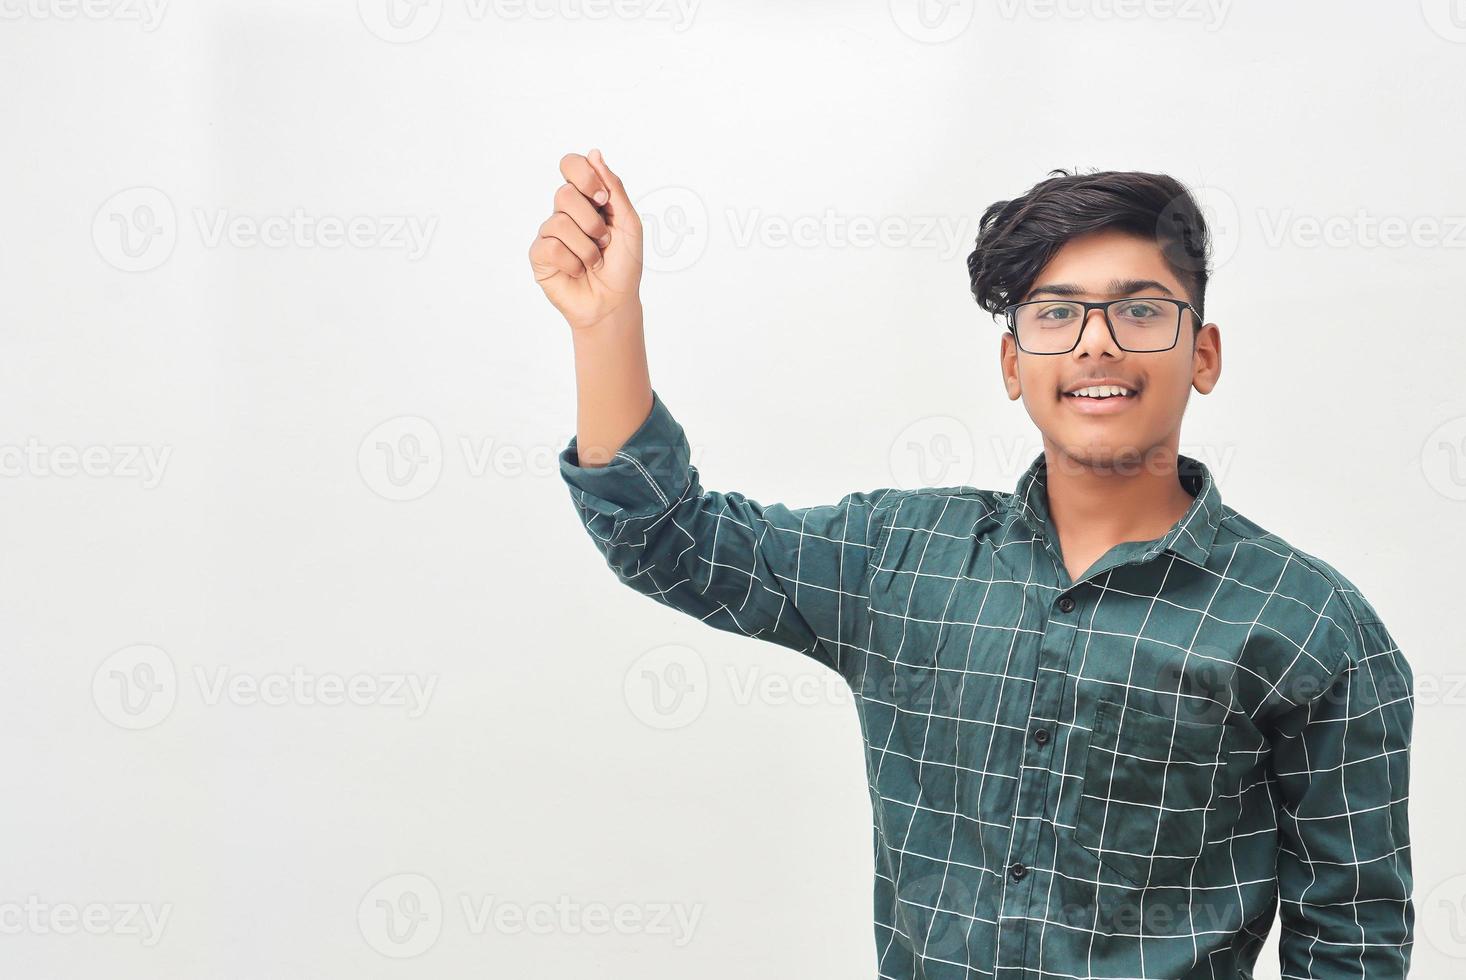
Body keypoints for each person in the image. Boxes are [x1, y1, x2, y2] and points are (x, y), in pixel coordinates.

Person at [528, 149, 1415, 980]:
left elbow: (1352, 941)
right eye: (1056, 313)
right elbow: (666, 537)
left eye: (1141, 309)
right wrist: (608, 325)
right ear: (1011, 360)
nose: (1095, 342)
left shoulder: (1308, 625)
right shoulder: (903, 560)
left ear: (1205, 354)